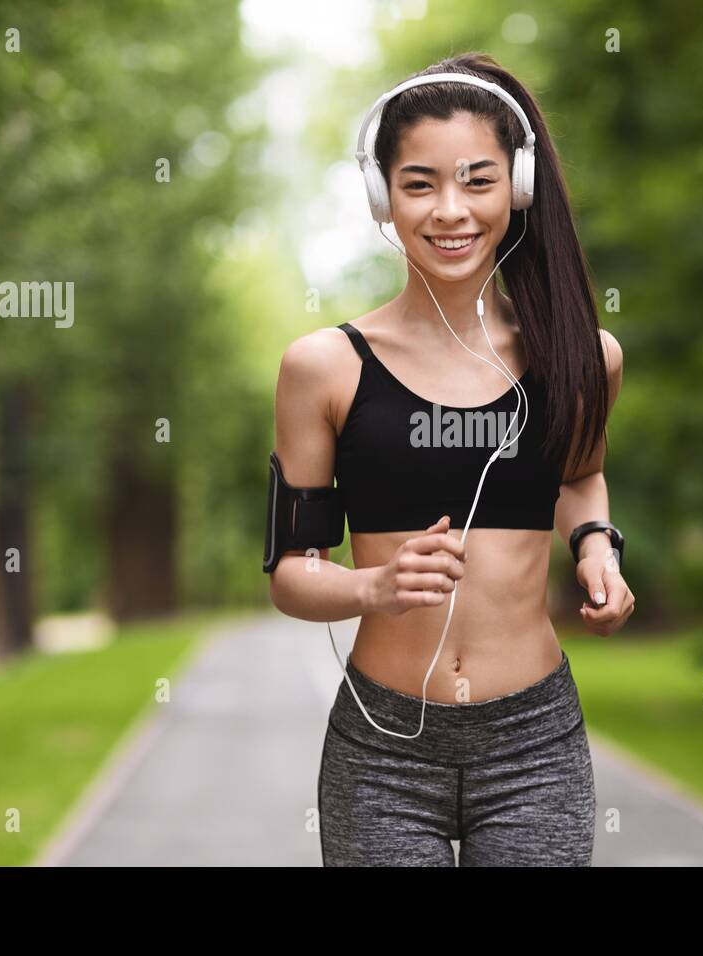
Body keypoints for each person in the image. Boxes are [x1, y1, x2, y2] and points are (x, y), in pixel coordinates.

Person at [266, 51, 633, 867]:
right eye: (420, 183)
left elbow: (578, 476)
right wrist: (373, 587)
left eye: (477, 179)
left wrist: (597, 547)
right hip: (384, 750)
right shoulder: (324, 368)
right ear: (381, 197)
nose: (450, 211)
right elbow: (293, 572)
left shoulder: (581, 356)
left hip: (534, 745)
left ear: (519, 186)